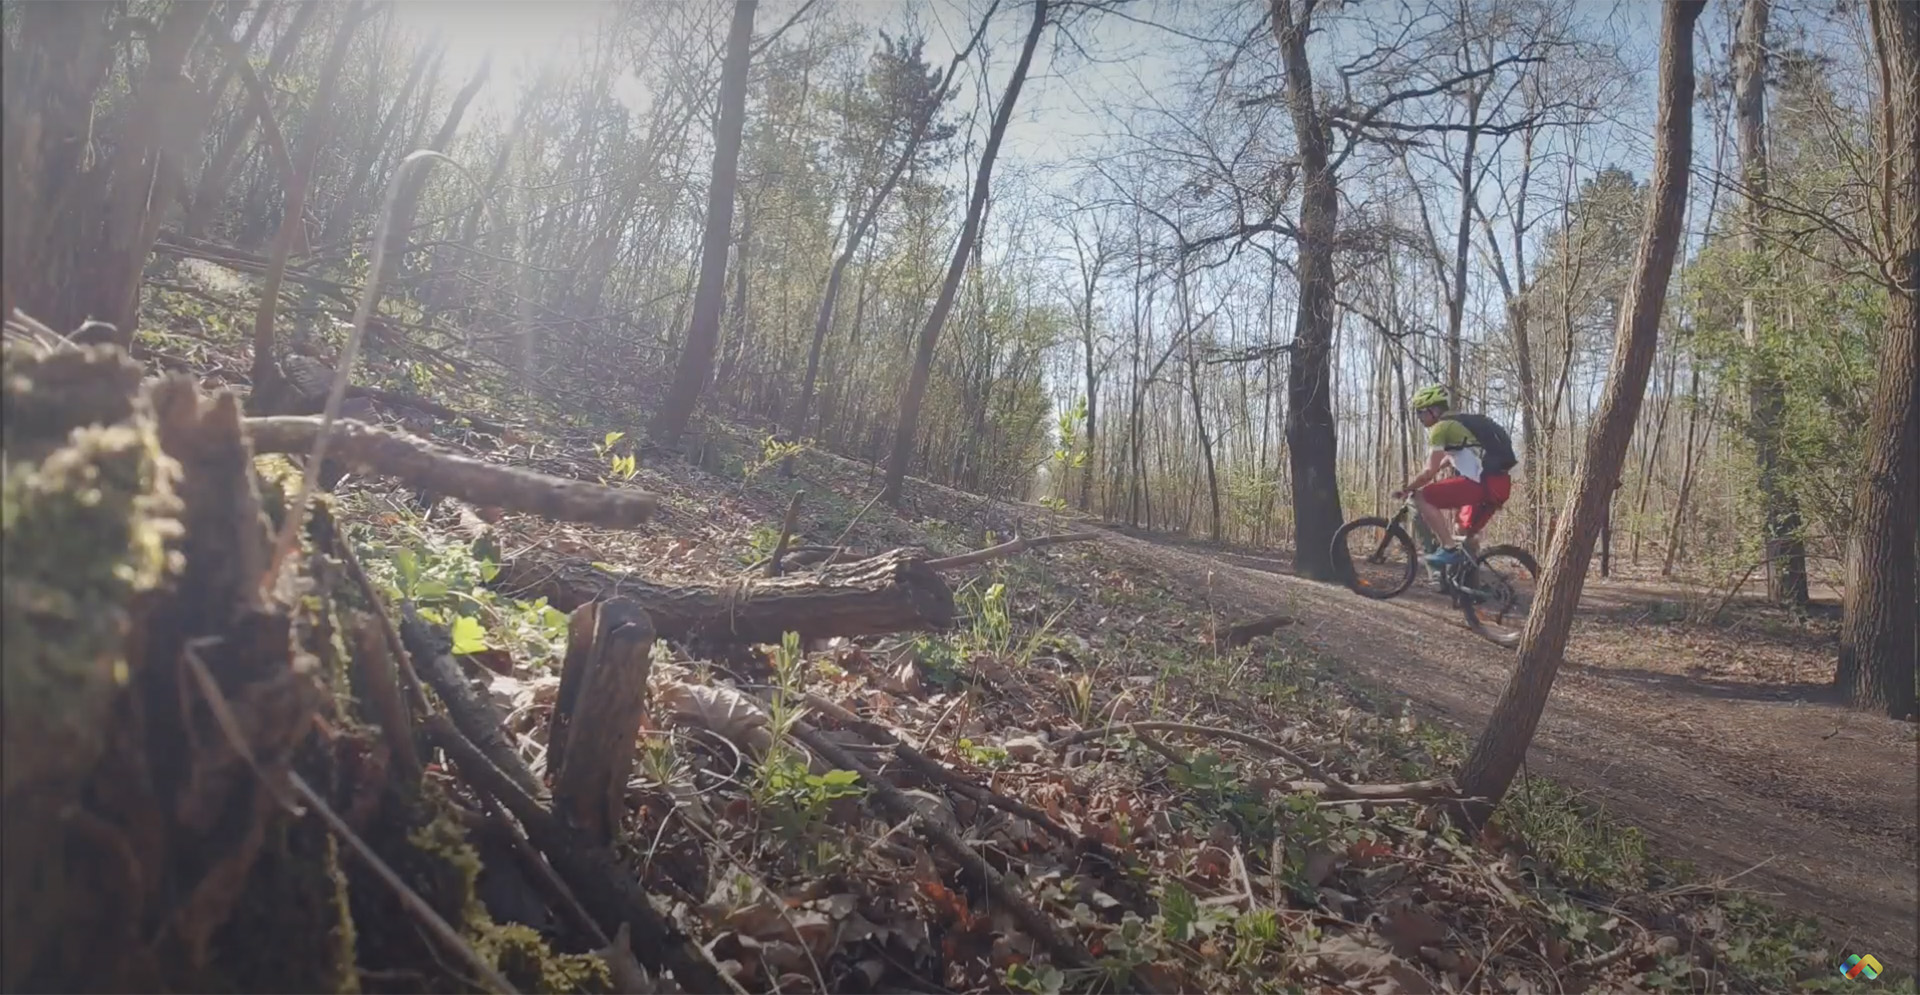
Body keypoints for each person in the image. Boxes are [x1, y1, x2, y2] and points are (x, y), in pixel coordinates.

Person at [1392, 383, 1519, 573]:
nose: (1418, 417)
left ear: (1434, 410)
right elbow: (1453, 458)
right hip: (1497, 485)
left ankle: (1448, 548)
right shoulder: (1456, 425)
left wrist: (1408, 488)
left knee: (1422, 497)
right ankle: (1471, 589)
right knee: (1463, 531)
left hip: (1480, 484)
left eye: (1421, 412)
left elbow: (1429, 471)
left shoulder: (1441, 428)